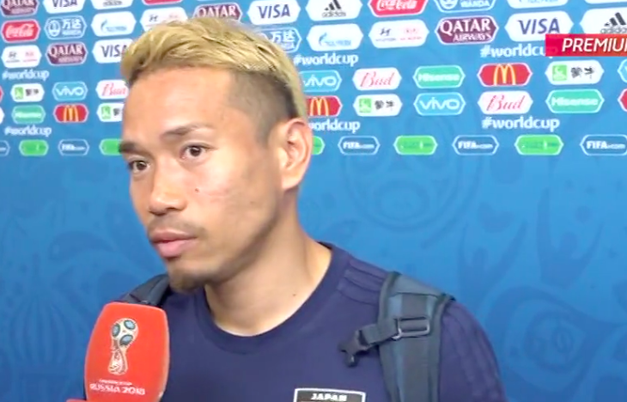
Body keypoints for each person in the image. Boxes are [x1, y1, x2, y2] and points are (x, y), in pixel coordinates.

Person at [116, 16, 507, 402]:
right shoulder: (129, 334)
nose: (158, 198)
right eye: (139, 164)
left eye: (193, 151)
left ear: (290, 152)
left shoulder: (426, 342)